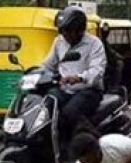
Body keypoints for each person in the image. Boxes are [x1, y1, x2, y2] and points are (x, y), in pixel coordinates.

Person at [42, 6, 106, 149]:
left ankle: (94, 143)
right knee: (45, 107)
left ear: (79, 30)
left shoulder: (94, 44)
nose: (65, 35)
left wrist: (79, 77)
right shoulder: (59, 42)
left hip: (88, 90)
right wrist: (35, 74)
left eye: (68, 31)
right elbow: (48, 65)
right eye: (63, 31)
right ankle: (49, 148)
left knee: (70, 112)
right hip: (65, 90)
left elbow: (97, 71)